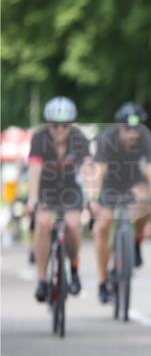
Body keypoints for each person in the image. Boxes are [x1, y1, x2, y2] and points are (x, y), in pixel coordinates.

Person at [90, 102, 151, 304]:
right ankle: (102, 282)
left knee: (145, 202)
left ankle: (137, 240)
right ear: (119, 126)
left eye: (136, 129)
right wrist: (94, 199)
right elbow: (99, 170)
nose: (133, 134)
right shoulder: (107, 138)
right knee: (102, 227)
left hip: (133, 182)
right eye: (128, 129)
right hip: (110, 183)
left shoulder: (147, 139)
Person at [26, 97, 92, 302]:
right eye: (55, 125)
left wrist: (91, 198)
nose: (60, 130)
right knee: (43, 222)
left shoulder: (80, 138)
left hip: (71, 189)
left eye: (65, 125)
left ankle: (74, 269)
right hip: (47, 189)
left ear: (72, 124)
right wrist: (32, 199)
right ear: (48, 124)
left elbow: (88, 170)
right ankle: (42, 279)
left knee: (73, 224)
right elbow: (34, 170)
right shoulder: (39, 138)